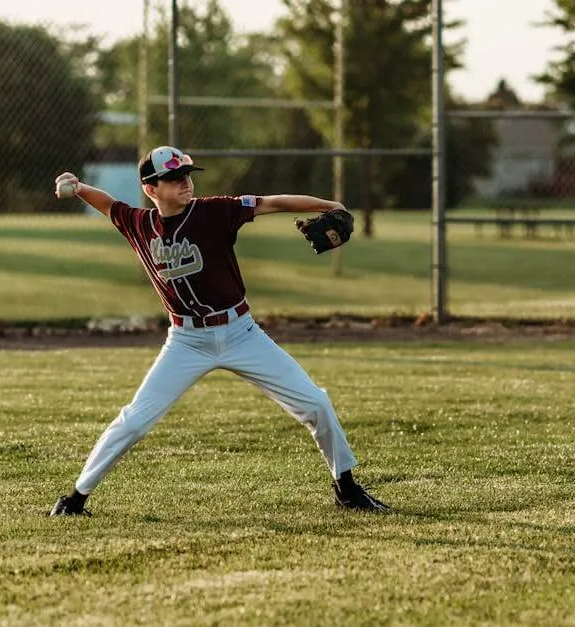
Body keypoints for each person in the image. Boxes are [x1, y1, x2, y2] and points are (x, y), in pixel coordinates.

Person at [48, 146, 389, 516]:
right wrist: (79, 187)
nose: (185, 183)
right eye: (174, 179)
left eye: (188, 176)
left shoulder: (215, 211)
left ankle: (347, 488)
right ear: (151, 189)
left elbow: (272, 202)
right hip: (186, 342)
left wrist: (329, 205)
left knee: (316, 403)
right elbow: (108, 204)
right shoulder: (138, 224)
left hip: (241, 332)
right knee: (135, 421)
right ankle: (75, 499)